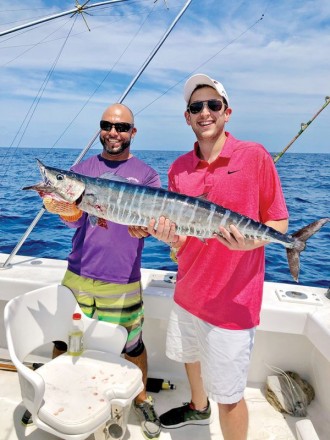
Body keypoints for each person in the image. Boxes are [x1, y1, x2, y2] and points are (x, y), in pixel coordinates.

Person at [130, 74, 289, 440]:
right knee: (191, 357)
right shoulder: (178, 169)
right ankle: (197, 409)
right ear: (187, 117)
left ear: (227, 112)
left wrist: (250, 244)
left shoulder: (255, 157)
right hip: (187, 293)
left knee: (230, 397)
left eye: (212, 105)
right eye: (195, 107)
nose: (205, 112)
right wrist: (165, 236)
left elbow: (278, 222)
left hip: (233, 304)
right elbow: (180, 241)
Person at [22, 103, 162, 439]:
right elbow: (74, 217)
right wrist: (61, 207)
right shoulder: (82, 169)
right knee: (63, 337)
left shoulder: (147, 175)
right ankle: (48, 398)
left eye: (122, 127)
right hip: (79, 271)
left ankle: (141, 399)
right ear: (100, 129)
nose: (114, 132)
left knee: (132, 345)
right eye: (107, 125)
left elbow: (156, 221)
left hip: (123, 277)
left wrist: (149, 227)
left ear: (133, 132)